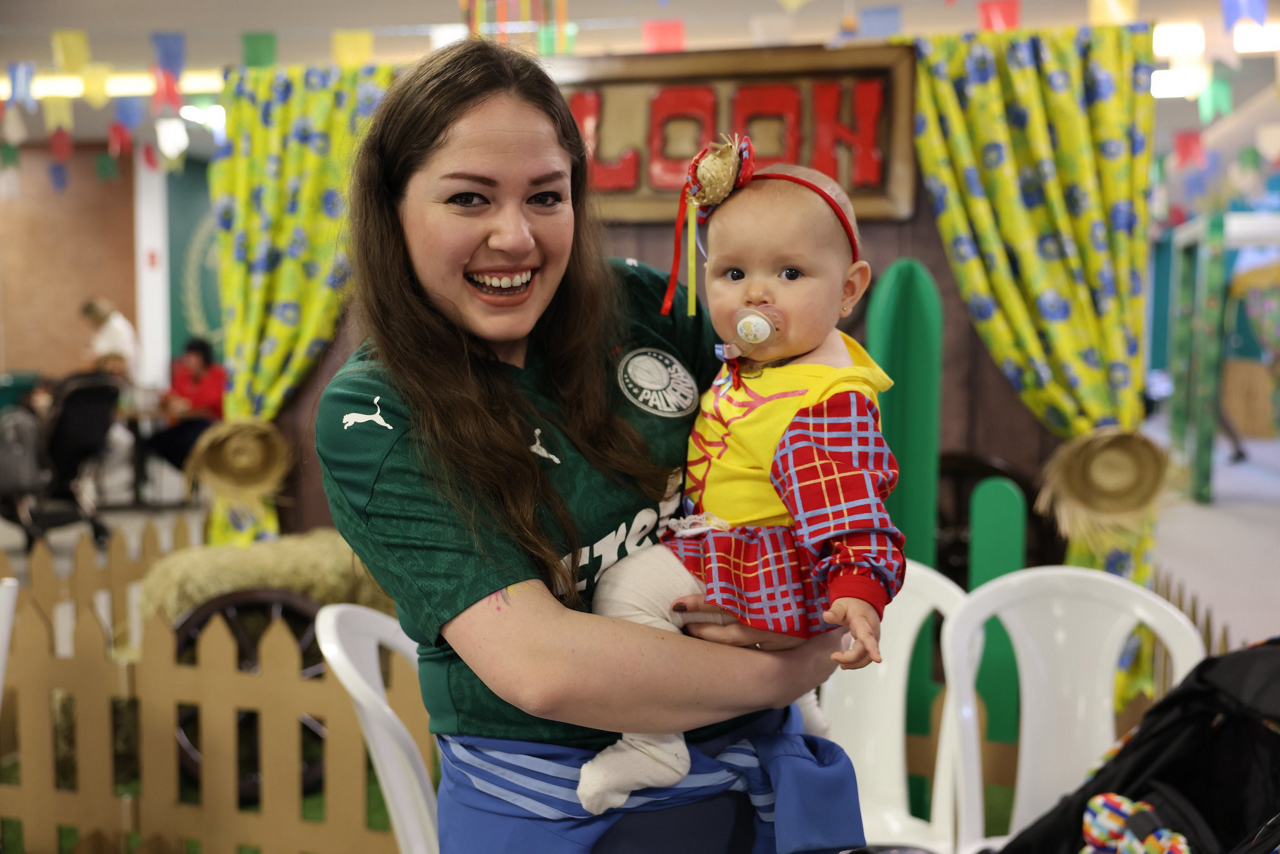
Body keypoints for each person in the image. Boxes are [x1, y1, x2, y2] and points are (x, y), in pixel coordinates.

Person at [316, 40, 861, 853]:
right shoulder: (375, 413)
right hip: (557, 810)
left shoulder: (642, 304)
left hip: (762, 782)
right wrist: (799, 664)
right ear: (392, 210)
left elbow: (834, 431)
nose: (514, 237)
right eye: (468, 199)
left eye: (546, 196)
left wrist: (818, 588)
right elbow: (546, 668)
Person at [577, 147, 906, 813]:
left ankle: (651, 742)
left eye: (789, 273)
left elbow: (849, 504)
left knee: (622, 589)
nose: (756, 294)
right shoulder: (768, 363)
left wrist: (857, 590)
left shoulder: (819, 402)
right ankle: (800, 709)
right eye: (733, 273)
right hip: (744, 547)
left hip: (758, 560)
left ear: (848, 290)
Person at [146, 338, 225, 472]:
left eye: (193, 358)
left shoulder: (218, 374)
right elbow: (170, 394)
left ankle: (196, 472)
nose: (189, 361)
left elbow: (215, 401)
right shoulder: (185, 374)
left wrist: (189, 404)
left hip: (211, 424)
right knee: (155, 441)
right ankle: (189, 471)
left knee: (186, 442)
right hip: (188, 423)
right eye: (187, 357)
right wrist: (171, 401)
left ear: (203, 358)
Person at [81, 298, 139, 384]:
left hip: (117, 374)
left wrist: (100, 356)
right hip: (105, 370)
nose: (90, 324)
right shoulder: (105, 327)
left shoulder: (117, 326)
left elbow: (124, 353)